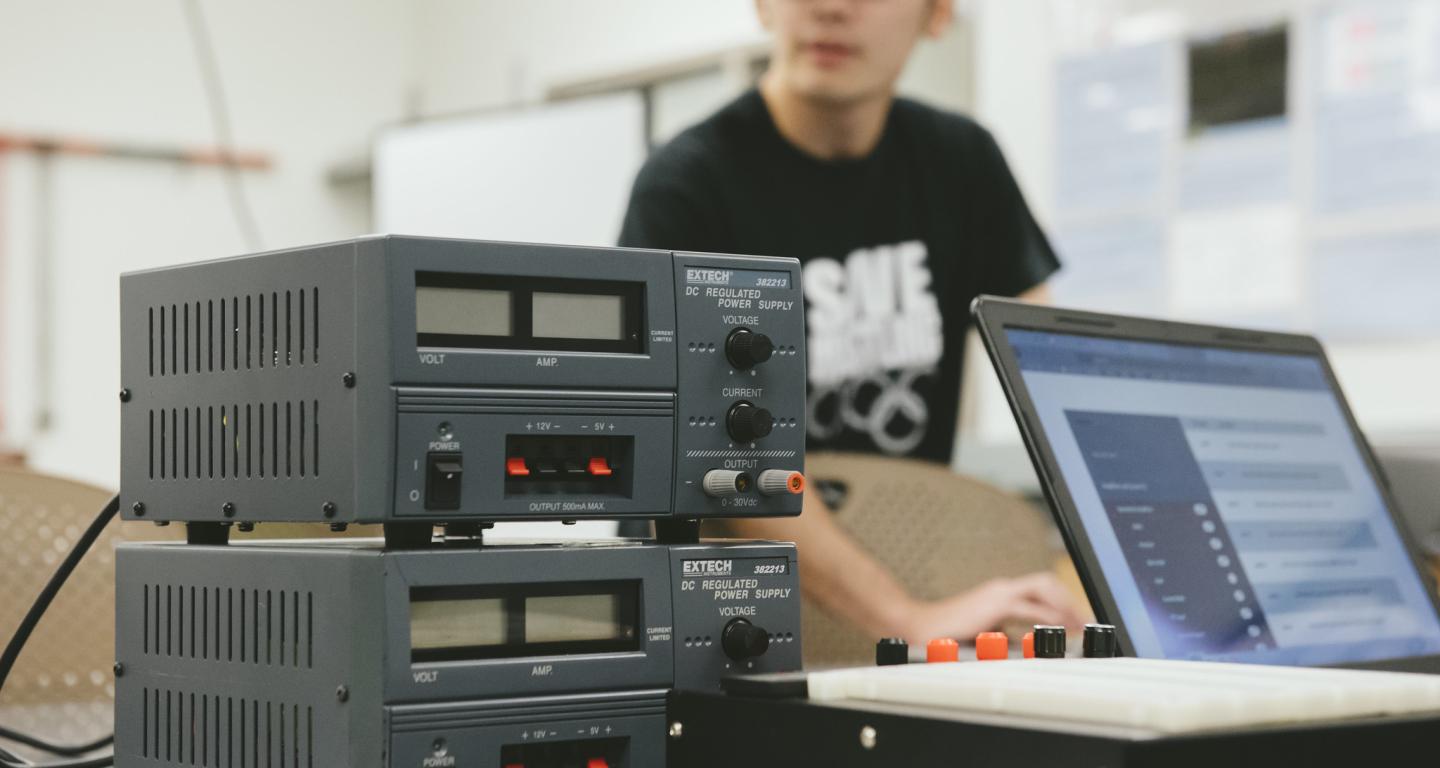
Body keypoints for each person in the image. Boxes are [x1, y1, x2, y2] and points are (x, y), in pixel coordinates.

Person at [619, 0, 1086, 642]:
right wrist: (905, 618)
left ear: (939, 13)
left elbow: (1063, 391)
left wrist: (1087, 593)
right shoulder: (686, 187)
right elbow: (716, 464)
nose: (832, 8)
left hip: (892, 608)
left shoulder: (962, 162)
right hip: (726, 627)